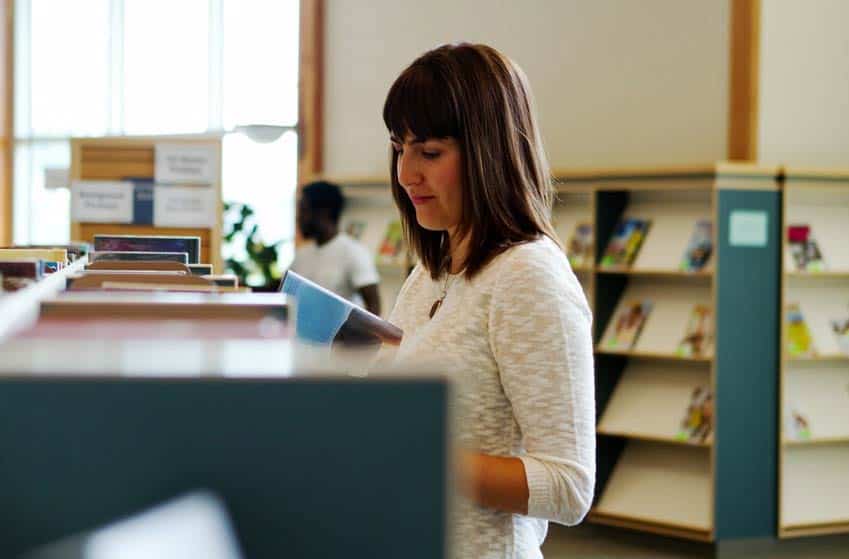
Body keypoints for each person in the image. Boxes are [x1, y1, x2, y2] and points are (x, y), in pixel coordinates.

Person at [381, 43, 595, 558]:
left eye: (429, 152)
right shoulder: (430, 273)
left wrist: (414, 457)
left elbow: (568, 486)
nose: (406, 173)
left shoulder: (528, 276)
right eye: (398, 147)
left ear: (487, 152)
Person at [291, 180, 382, 315]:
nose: (298, 218)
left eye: (303, 210)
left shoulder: (353, 252)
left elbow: (374, 307)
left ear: (323, 212)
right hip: (299, 335)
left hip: (339, 336)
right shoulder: (301, 255)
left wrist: (356, 336)